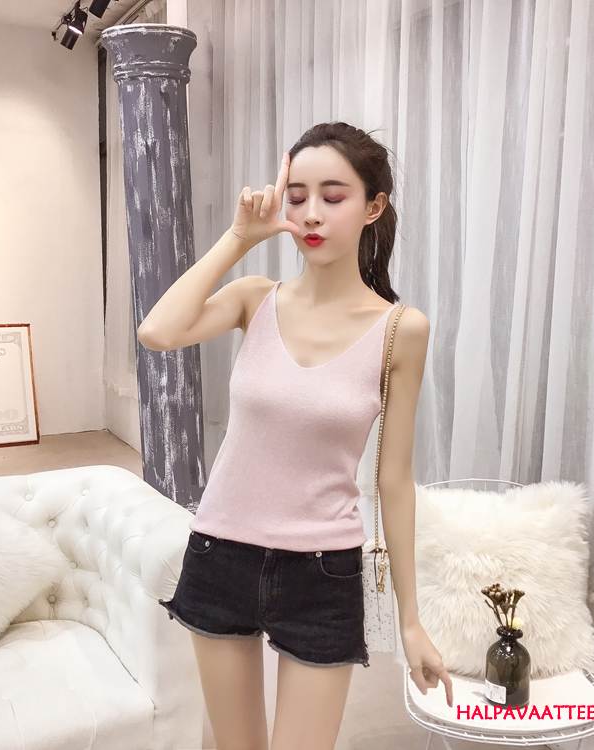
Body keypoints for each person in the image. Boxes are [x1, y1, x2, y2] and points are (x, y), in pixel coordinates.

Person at [138, 122, 453, 750]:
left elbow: (395, 482)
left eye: (333, 197)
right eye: (298, 196)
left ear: (373, 207)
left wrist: (411, 620)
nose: (311, 214)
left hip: (322, 573)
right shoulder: (255, 300)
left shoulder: (401, 330)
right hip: (222, 553)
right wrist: (238, 238)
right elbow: (157, 331)